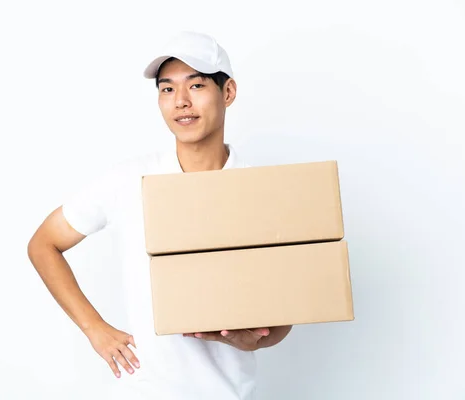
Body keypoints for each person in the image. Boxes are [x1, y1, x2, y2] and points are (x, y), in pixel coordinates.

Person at [27, 31, 293, 399]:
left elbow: (285, 312)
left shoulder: (262, 192)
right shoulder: (129, 180)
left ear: (227, 92)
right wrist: (94, 328)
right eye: (167, 90)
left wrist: (257, 340)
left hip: (232, 392)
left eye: (196, 85)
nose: (181, 102)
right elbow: (44, 244)